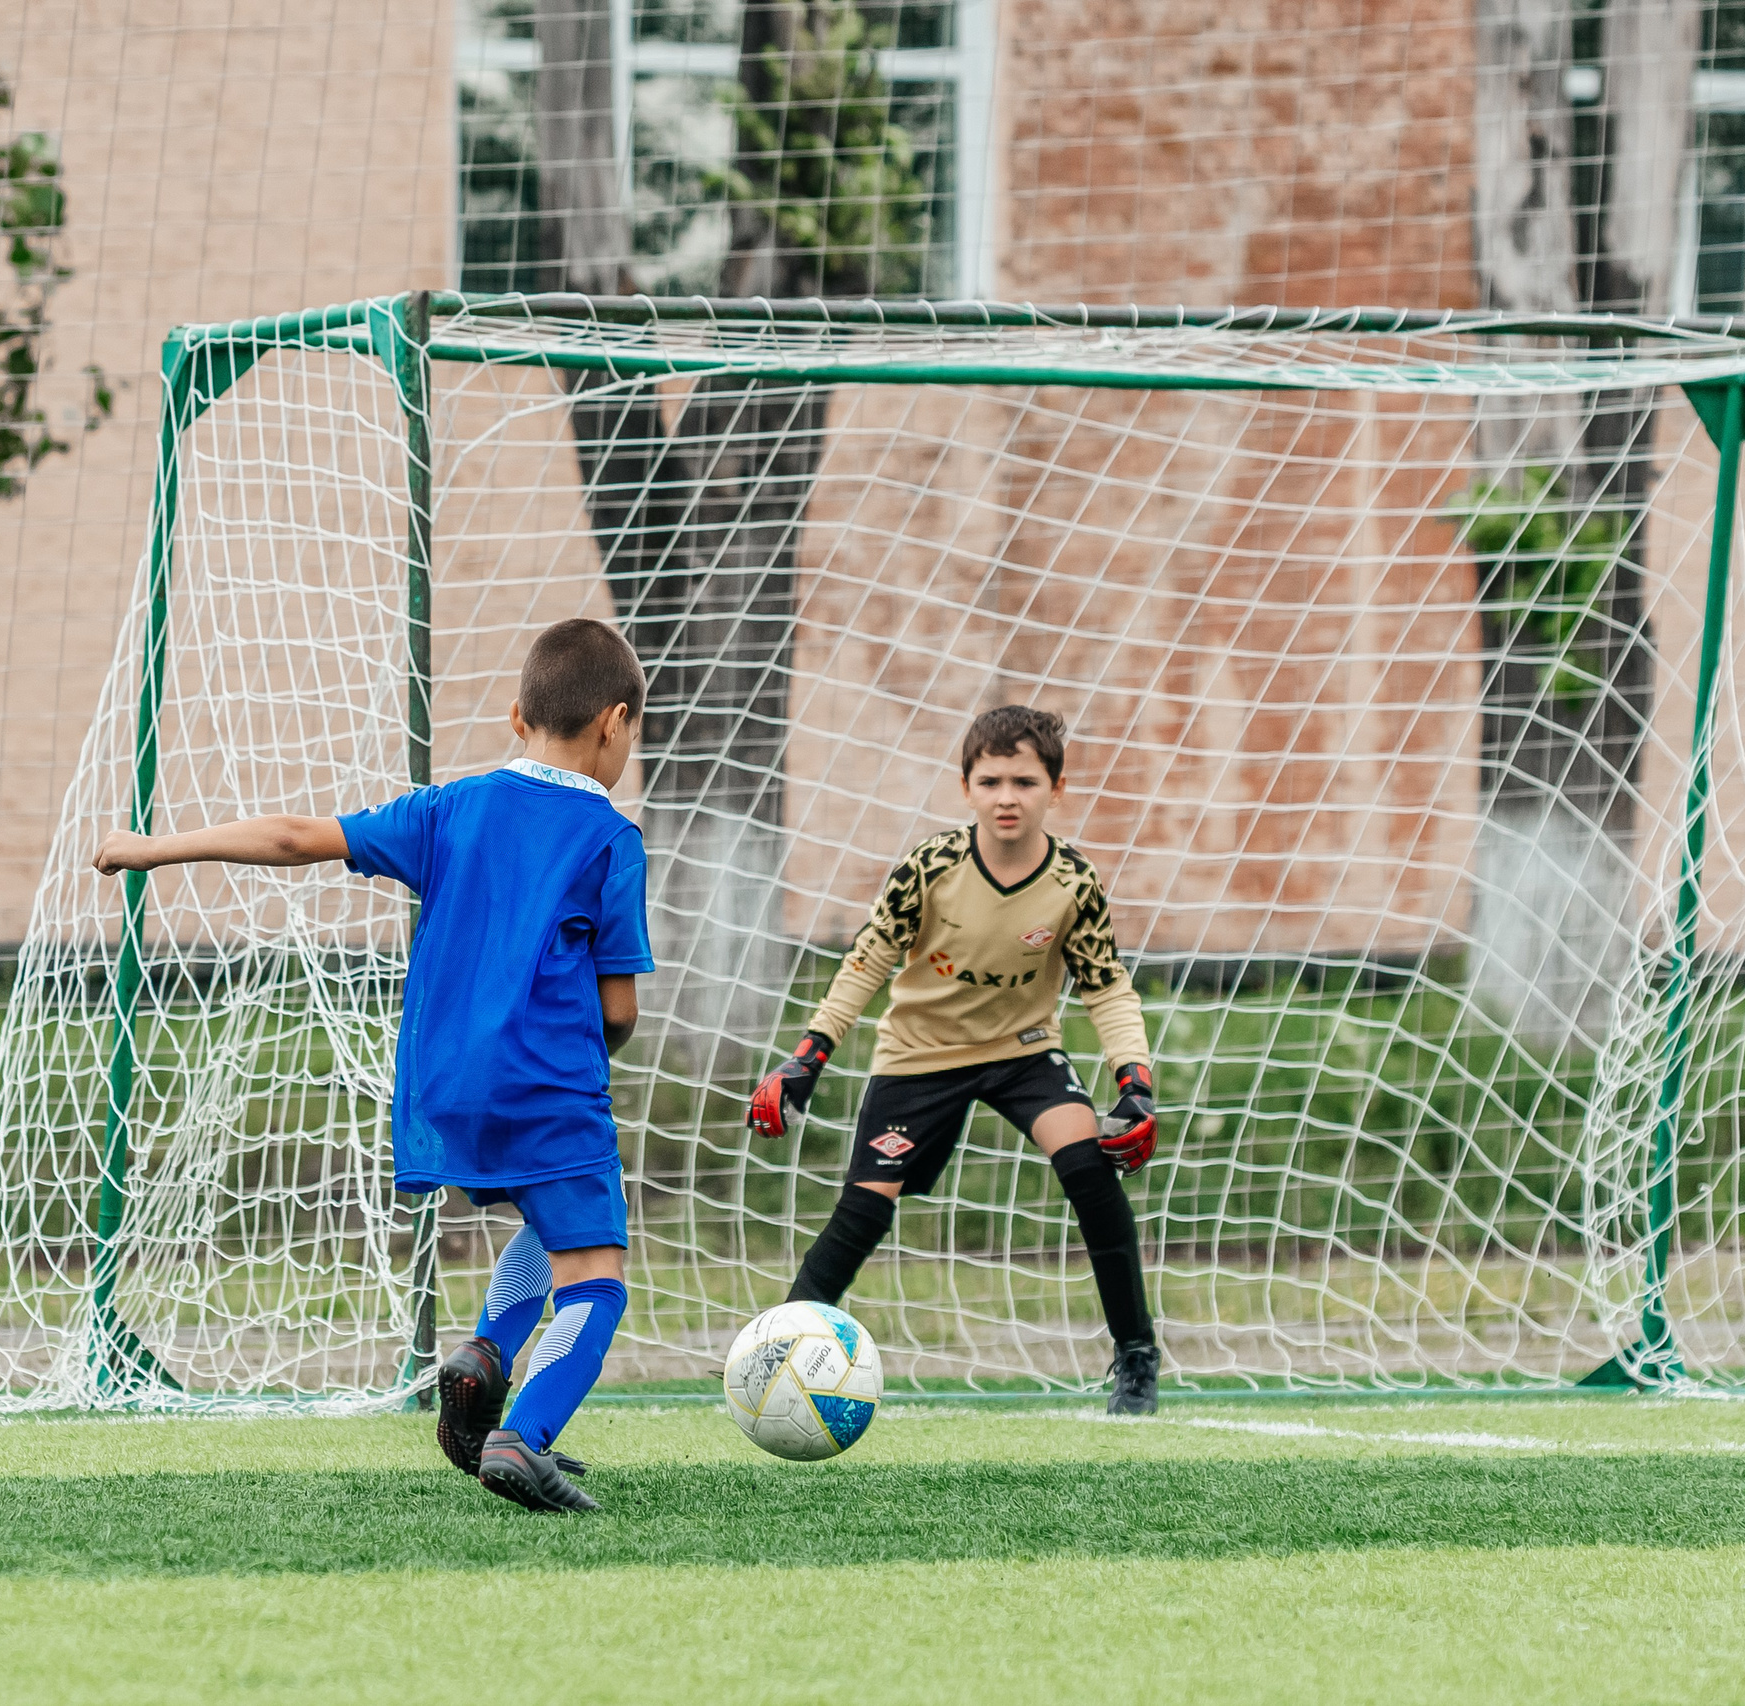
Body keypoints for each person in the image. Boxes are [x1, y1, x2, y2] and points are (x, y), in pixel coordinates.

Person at [93, 617, 652, 1512]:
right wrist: (593, 1053)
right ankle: (525, 1435)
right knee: (598, 1277)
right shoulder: (609, 839)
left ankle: (483, 1359)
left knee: (547, 1227)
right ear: (615, 722)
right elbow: (618, 1009)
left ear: (516, 716)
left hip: (443, 1087)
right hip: (548, 1084)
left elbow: (291, 836)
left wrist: (151, 850)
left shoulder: (445, 810)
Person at [746, 705, 1164, 1414]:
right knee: (864, 1207)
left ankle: (1136, 1358)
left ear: (1055, 790)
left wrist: (1137, 1082)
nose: (1008, 796)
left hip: (1024, 1052)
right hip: (919, 1055)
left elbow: (1107, 986)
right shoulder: (929, 868)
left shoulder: (1073, 883)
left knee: (1090, 1170)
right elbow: (866, 961)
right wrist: (807, 1057)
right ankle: (772, 1355)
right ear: (966, 786)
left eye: (1025, 782)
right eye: (992, 779)